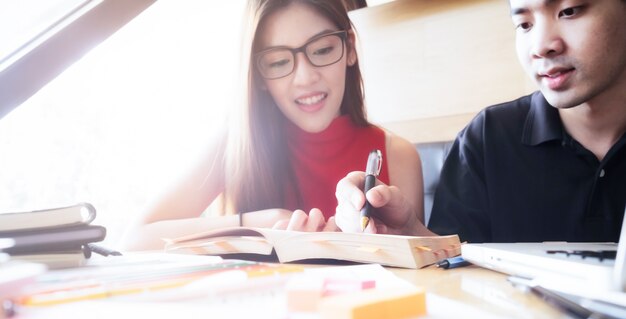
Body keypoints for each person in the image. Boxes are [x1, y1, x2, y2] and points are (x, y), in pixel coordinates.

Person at [122, 0, 424, 250]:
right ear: (259, 76)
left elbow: (420, 273)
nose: (305, 78)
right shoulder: (237, 144)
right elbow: (135, 240)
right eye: (279, 62)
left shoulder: (397, 155)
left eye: (322, 50)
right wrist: (259, 223)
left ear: (350, 49)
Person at [334, 0, 626, 243]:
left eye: (570, 11)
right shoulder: (487, 137)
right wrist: (408, 234)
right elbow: (454, 264)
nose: (540, 46)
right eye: (524, 24)